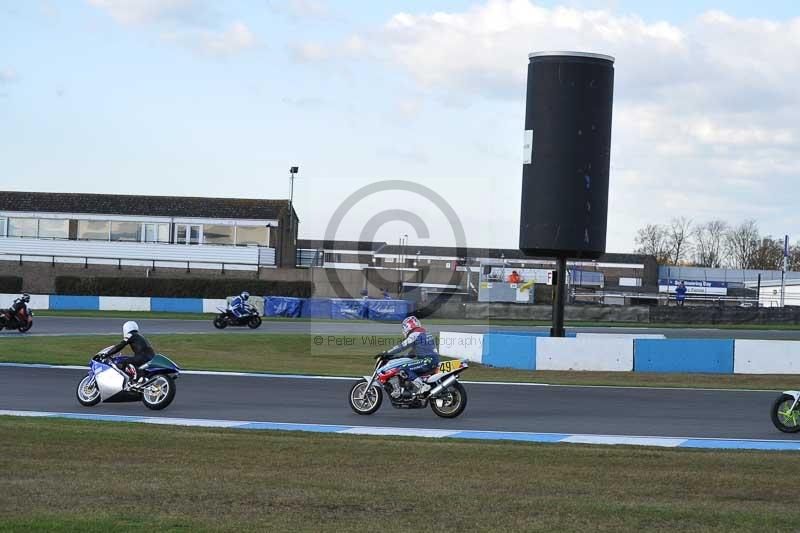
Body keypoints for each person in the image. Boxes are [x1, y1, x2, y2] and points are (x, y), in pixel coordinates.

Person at [379, 316, 440, 396]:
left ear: (407, 326)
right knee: (409, 365)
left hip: (427, 361)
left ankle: (421, 386)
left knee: (403, 368)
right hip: (433, 360)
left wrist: (387, 353)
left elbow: (402, 346)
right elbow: (414, 352)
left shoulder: (415, 334)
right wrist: (401, 357)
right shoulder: (425, 332)